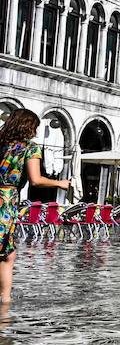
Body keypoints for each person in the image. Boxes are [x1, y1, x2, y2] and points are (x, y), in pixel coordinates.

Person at [0, 109, 73, 305]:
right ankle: (5, 305)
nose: (37, 132)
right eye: (35, 127)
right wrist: (60, 183)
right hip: (5, 201)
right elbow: (36, 180)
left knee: (9, 253)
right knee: (6, 254)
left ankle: (5, 302)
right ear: (28, 127)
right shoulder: (30, 148)